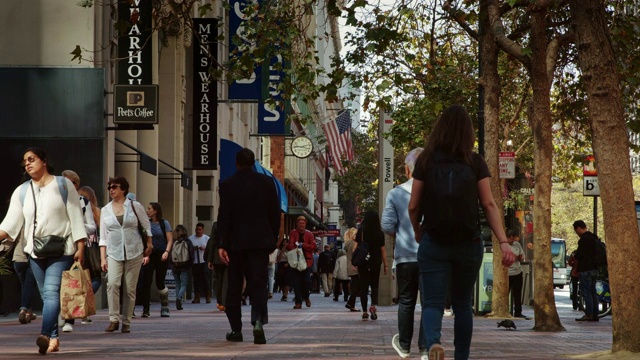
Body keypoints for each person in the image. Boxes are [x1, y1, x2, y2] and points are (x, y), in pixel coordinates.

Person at [408, 105, 515, 360]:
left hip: (434, 240)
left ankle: (433, 343)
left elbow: (413, 205)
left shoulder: (425, 161)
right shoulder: (475, 161)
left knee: (432, 302)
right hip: (469, 242)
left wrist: (417, 231)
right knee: (463, 304)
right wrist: (503, 241)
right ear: (468, 132)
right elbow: (489, 204)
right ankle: (462, 356)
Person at [0, 147, 87, 354]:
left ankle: (45, 335)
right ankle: (55, 338)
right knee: (48, 295)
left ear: (44, 161)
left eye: (32, 159)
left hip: (63, 250)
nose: (28, 163)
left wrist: (80, 246)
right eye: (25, 162)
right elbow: (9, 224)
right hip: (35, 252)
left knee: (50, 292)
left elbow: (75, 215)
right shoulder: (22, 191)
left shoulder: (63, 184)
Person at [216, 148, 281, 344]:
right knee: (258, 284)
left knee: (234, 286)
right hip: (260, 242)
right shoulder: (267, 183)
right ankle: (258, 322)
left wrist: (222, 244)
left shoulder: (228, 185)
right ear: (254, 163)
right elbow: (275, 214)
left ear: (237, 163)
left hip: (236, 243)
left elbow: (224, 217)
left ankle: (236, 329)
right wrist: (272, 238)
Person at [381, 147, 426, 358]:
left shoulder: (396, 193)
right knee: (429, 302)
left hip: (405, 256)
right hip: (430, 256)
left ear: (407, 169)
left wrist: (399, 232)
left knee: (406, 300)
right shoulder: (435, 193)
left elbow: (387, 225)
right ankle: (426, 348)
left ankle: (405, 345)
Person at [100, 176, 152, 334]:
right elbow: (103, 236)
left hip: (134, 251)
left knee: (130, 289)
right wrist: (103, 258)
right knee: (112, 284)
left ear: (123, 189)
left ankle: (126, 321)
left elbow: (146, 226)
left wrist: (149, 244)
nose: (111, 190)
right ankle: (113, 319)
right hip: (114, 252)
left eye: (114, 187)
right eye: (110, 187)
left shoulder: (135, 206)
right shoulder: (105, 210)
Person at [60, 170, 98, 332]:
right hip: (54, 247)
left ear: (76, 185)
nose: (65, 186)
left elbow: (92, 226)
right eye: (63, 182)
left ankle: (69, 319)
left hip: (75, 248)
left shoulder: (83, 202)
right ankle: (59, 313)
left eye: (69, 182)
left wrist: (77, 226)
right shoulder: (53, 199)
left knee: (72, 283)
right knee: (53, 285)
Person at [140, 202, 173, 317]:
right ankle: (146, 309)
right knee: (146, 282)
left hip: (161, 255)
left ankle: (165, 306)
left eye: (149, 209)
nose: (147, 211)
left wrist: (167, 252)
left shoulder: (164, 223)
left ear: (155, 211)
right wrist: (145, 254)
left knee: (160, 282)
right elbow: (143, 240)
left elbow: (169, 240)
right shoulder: (145, 223)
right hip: (149, 255)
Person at [355, 210, 388, 321]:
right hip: (375, 262)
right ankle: (373, 306)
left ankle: (364, 312)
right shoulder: (380, 233)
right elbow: (383, 250)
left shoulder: (361, 231)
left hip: (363, 262)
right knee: (374, 286)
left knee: (364, 287)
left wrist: (354, 262)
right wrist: (386, 265)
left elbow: (356, 247)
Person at [286, 216, 317, 309]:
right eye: (299, 223)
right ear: (297, 224)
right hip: (296, 261)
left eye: (303, 223)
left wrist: (303, 245)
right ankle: (298, 302)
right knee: (296, 282)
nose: (301, 225)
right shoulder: (293, 232)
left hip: (307, 261)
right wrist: (295, 246)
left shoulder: (309, 234)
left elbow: (313, 246)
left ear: (305, 224)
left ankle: (306, 297)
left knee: (307, 281)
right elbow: (290, 245)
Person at [572, 220, 600, 322]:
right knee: (593, 292)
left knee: (587, 292)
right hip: (595, 269)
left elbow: (580, 255)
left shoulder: (584, 240)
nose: (577, 234)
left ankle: (589, 314)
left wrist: (575, 267)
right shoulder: (594, 238)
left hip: (586, 269)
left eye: (576, 231)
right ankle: (595, 314)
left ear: (579, 228)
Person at [12, 232, 40, 324]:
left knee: (25, 287)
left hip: (18, 258)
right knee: (29, 287)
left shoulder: (18, 221)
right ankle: (24, 310)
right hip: (33, 257)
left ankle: (28, 313)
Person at [206, 222, 228, 311]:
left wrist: (210, 259)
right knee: (227, 280)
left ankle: (220, 302)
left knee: (219, 280)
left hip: (217, 257)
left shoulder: (216, 225)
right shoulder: (236, 222)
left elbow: (212, 242)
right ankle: (224, 302)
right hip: (230, 256)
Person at [172, 224, 194, 310]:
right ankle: (179, 298)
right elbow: (191, 255)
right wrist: (190, 265)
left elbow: (170, 254)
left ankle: (178, 300)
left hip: (175, 266)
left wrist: (172, 264)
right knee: (184, 284)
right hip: (185, 266)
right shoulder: (188, 242)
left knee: (177, 284)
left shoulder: (174, 241)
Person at [506, 229, 527, 319]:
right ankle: (505, 310)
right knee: (505, 293)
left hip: (517, 272)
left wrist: (519, 257)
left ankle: (518, 312)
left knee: (517, 294)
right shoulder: (504, 245)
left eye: (514, 239)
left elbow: (522, 256)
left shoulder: (517, 244)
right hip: (507, 273)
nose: (512, 241)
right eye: (511, 239)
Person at [189, 222, 211, 304]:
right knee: (196, 279)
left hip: (204, 261)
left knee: (206, 278)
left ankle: (207, 296)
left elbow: (210, 249)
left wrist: (205, 248)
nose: (198, 231)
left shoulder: (207, 238)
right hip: (195, 262)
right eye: (197, 229)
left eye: (200, 229)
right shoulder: (191, 238)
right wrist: (193, 249)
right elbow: (188, 249)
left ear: (203, 230)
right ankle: (197, 297)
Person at [343, 228, 360, 312]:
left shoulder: (348, 244)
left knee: (355, 286)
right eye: (356, 234)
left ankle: (351, 305)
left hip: (350, 266)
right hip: (354, 266)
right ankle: (350, 303)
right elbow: (355, 255)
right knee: (355, 287)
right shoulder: (354, 243)